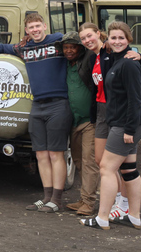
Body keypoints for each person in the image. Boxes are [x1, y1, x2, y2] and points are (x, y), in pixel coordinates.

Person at [0, 13, 71, 212]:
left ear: (45, 25)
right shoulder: (24, 47)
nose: (35, 30)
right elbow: (2, 48)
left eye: (38, 26)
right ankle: (46, 196)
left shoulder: (58, 40)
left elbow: (83, 41)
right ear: (26, 30)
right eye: (31, 27)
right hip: (38, 105)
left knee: (56, 154)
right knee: (41, 154)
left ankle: (57, 200)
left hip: (59, 104)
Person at [81, 22, 141, 230]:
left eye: (121, 38)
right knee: (128, 169)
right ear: (107, 39)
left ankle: (102, 218)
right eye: (114, 38)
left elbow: (137, 98)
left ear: (129, 40)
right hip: (121, 121)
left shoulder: (128, 62)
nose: (117, 41)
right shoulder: (117, 59)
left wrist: (129, 129)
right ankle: (133, 216)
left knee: (106, 168)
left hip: (125, 124)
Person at [61, 32, 99, 216]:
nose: (69, 50)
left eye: (72, 47)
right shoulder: (65, 65)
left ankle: (89, 203)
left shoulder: (89, 60)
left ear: (80, 48)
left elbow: (100, 48)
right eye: (66, 47)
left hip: (89, 121)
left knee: (89, 162)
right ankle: (83, 199)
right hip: (73, 121)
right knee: (77, 160)